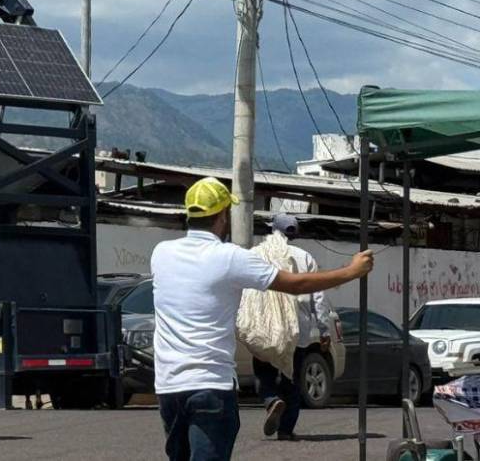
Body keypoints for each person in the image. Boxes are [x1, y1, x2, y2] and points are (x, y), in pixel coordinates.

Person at [152, 177, 373, 461]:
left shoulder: (161, 254)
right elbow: (295, 285)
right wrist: (351, 271)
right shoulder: (229, 256)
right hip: (211, 385)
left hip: (168, 388)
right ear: (222, 216)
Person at [252, 213, 334, 441]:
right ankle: (286, 430)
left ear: (272, 231)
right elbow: (318, 295)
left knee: (263, 371)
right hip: (299, 330)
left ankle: (270, 400)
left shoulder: (260, 254)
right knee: (293, 380)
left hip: (267, 327)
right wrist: (324, 330)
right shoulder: (306, 257)